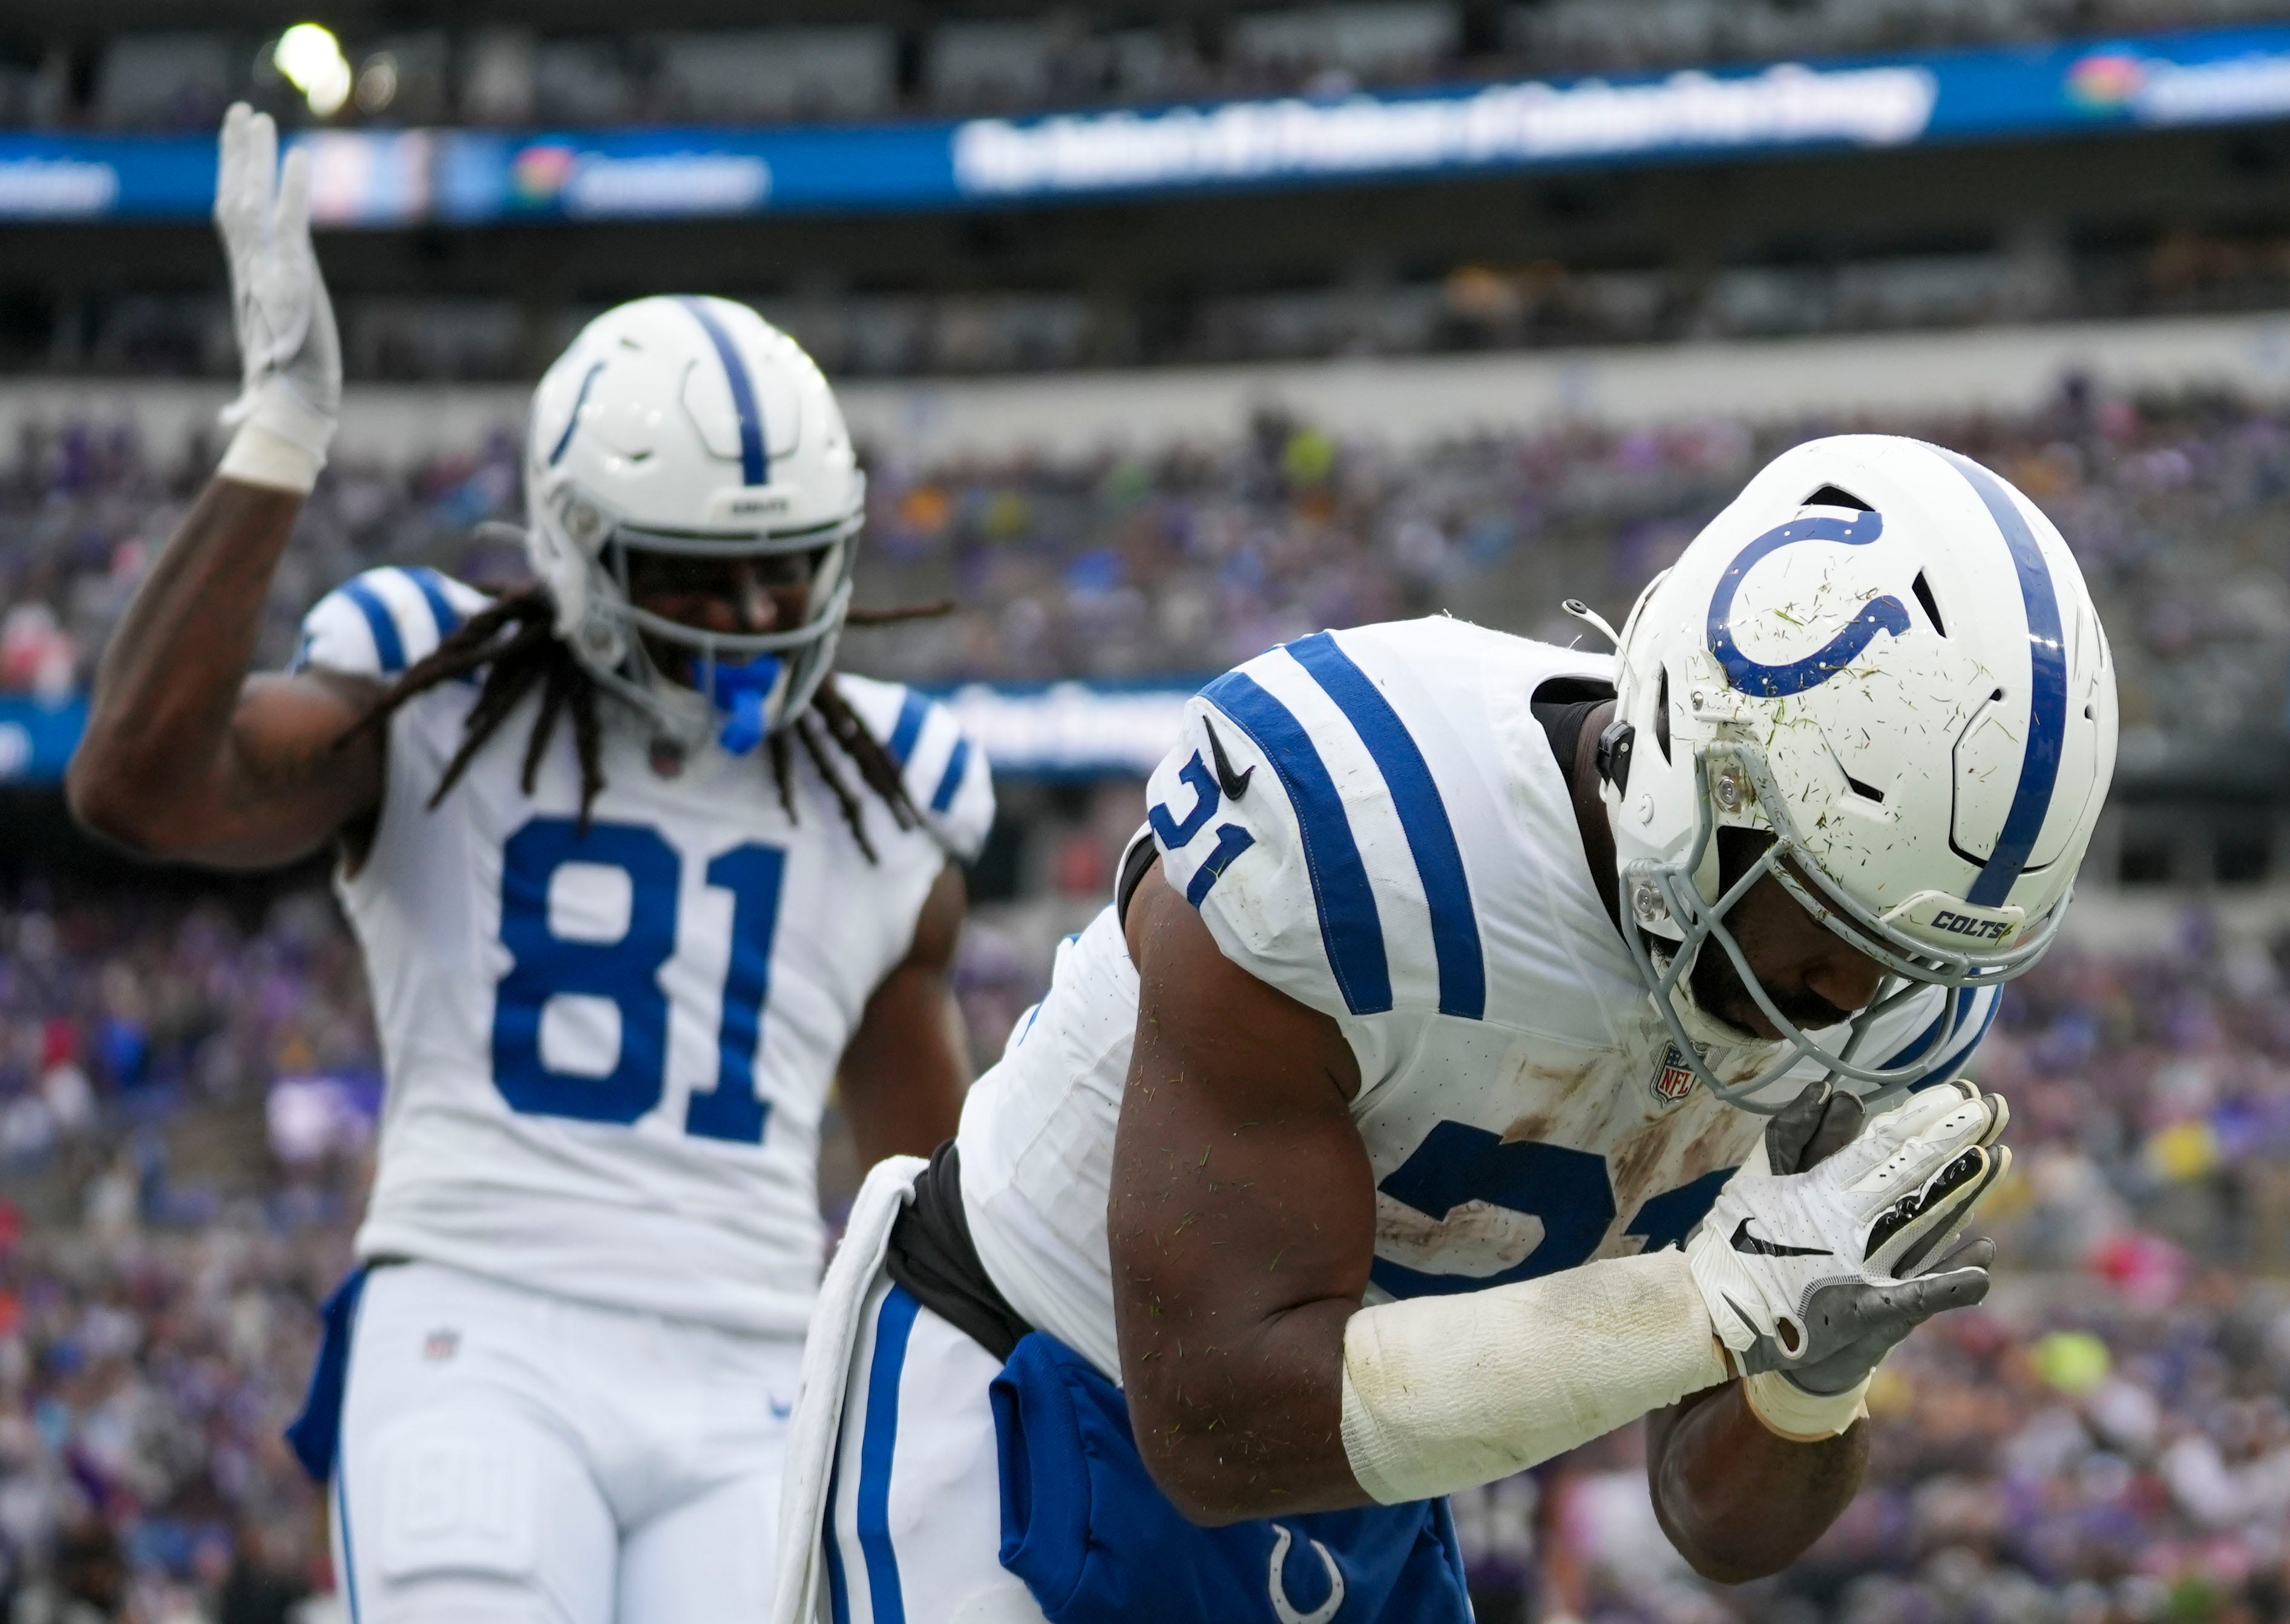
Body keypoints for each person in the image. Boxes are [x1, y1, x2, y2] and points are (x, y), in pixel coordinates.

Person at [769, 436, 2119, 1624]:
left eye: (1900, 954)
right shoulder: (1363, 823)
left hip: (1370, 1483)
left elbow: (1716, 1526)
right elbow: (1213, 1420)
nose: (1849, 999)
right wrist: (1707, 1301)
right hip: (1028, 1390)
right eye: (1822, 918)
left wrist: (1803, 1386)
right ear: (1694, 774)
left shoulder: (1887, 993)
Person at [66, 105, 992, 1624]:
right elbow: (140, 787)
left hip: (752, 1359)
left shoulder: (891, 788)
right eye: (701, 572)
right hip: (478, 1332)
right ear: (574, 547)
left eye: (789, 564)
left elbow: (930, 1193)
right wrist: (280, 434)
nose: (757, 614)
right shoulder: (434, 701)